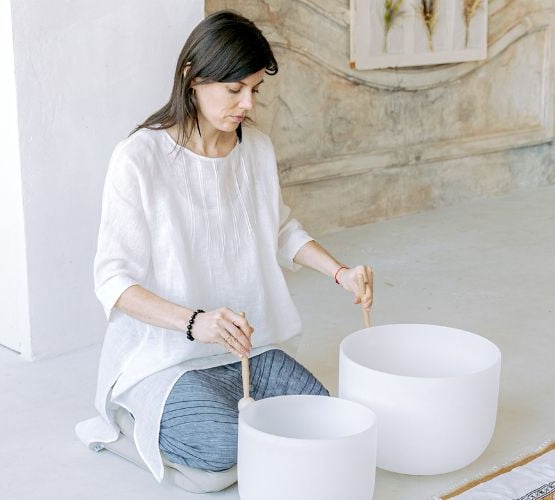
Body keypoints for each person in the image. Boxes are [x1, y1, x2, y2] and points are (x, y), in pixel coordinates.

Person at [88, 10, 374, 492]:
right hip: (168, 356)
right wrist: (196, 322)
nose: (247, 104)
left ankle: (202, 439)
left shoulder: (256, 149)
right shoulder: (139, 158)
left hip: (249, 347)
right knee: (226, 449)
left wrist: (340, 272)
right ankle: (134, 417)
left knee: (319, 421)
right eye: (234, 89)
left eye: (254, 90)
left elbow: (281, 229)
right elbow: (113, 282)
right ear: (192, 78)